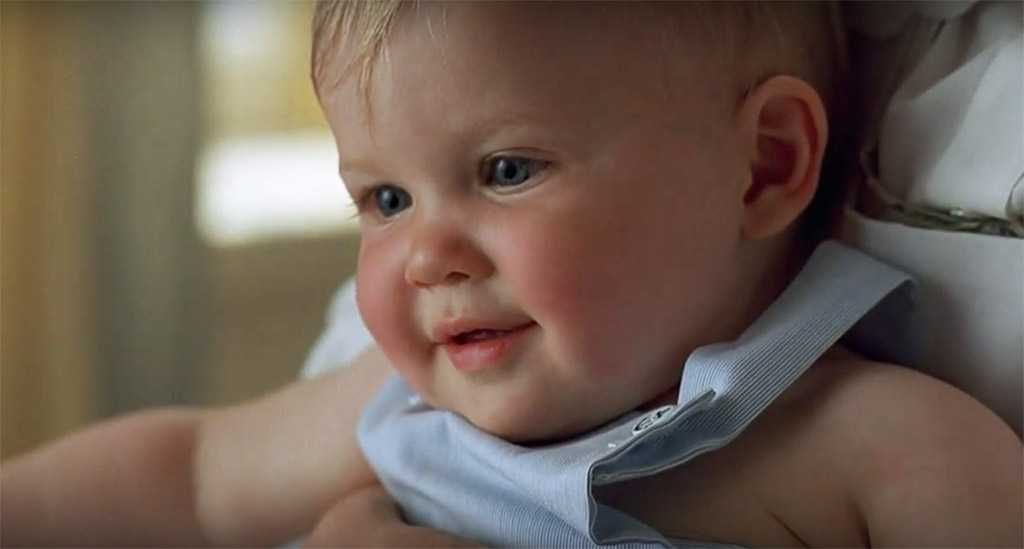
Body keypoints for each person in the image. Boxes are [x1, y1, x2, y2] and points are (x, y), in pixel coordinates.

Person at [2, 2, 1020, 547]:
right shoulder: (406, 400)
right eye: (385, 199)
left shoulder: (884, 450)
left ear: (763, 166)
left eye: (506, 171)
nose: (424, 258)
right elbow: (188, 477)